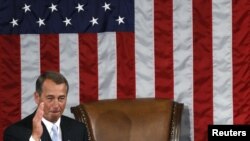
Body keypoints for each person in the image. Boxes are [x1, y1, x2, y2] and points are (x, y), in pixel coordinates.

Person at [3, 71, 88, 141]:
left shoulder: (79, 129)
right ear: (37, 97)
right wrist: (35, 138)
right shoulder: (15, 133)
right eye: (50, 98)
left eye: (61, 98)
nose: (56, 105)